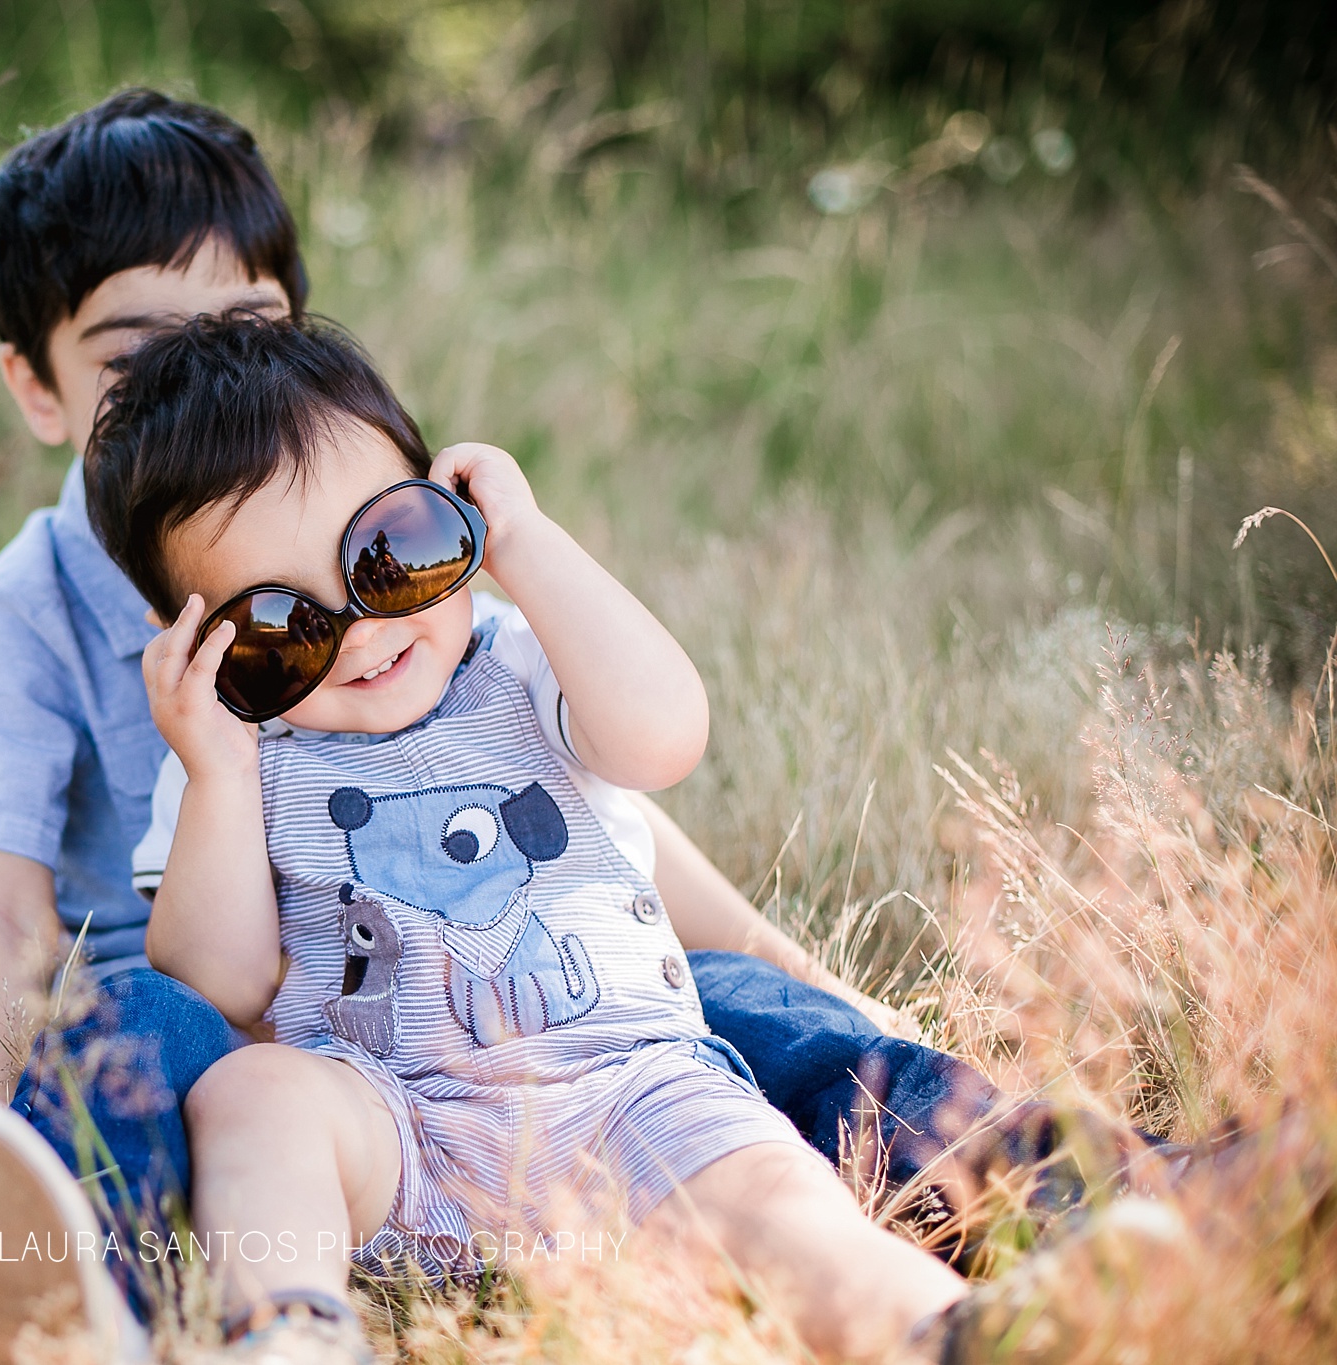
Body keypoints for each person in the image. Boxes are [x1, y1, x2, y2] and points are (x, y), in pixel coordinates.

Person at [0, 89, 1136, 1365]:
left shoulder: (471, 626)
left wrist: (524, 553)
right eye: (143, 354)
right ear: (36, 384)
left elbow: (632, 794)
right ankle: (110, 1286)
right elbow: (53, 924)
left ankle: (1062, 1235)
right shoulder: (116, 663)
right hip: (347, 1081)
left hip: (611, 1050)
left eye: (242, 326)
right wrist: (0, 1124)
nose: (351, 627)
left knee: (772, 1040)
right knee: (151, 1047)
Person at [92, 312, 974, 1363]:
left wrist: (532, 548)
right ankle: (286, 1330)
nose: (363, 631)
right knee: (253, 1092)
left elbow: (661, 737)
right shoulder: (233, 760)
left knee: (774, 1195)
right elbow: (220, 984)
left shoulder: (521, 662)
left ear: (450, 517)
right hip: (397, 1129)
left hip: (631, 1089)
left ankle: (937, 1329)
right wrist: (217, 769)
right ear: (199, 647)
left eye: (391, 556)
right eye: (282, 630)